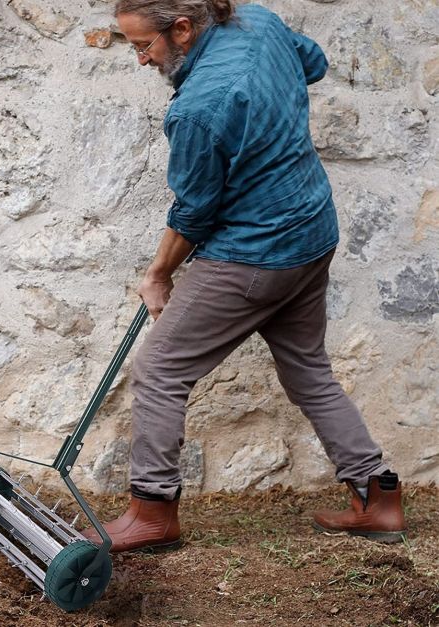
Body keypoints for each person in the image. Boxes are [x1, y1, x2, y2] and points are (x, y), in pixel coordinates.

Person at [83, 0, 406, 552]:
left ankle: (152, 512)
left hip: (254, 254)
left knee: (160, 368)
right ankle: (377, 495)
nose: (140, 59)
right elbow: (314, 63)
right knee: (307, 369)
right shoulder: (258, 19)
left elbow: (194, 212)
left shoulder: (198, 109)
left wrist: (158, 274)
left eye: (143, 46)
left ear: (182, 28)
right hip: (311, 232)